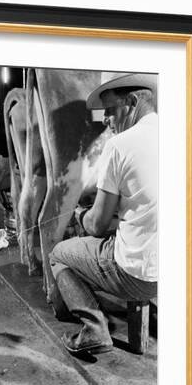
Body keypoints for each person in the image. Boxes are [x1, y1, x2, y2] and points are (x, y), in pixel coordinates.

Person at [49, 73, 158, 354]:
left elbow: (96, 226)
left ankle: (94, 329)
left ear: (132, 102)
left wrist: (80, 214)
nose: (106, 121)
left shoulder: (119, 145)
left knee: (60, 253)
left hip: (139, 275)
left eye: (110, 111)